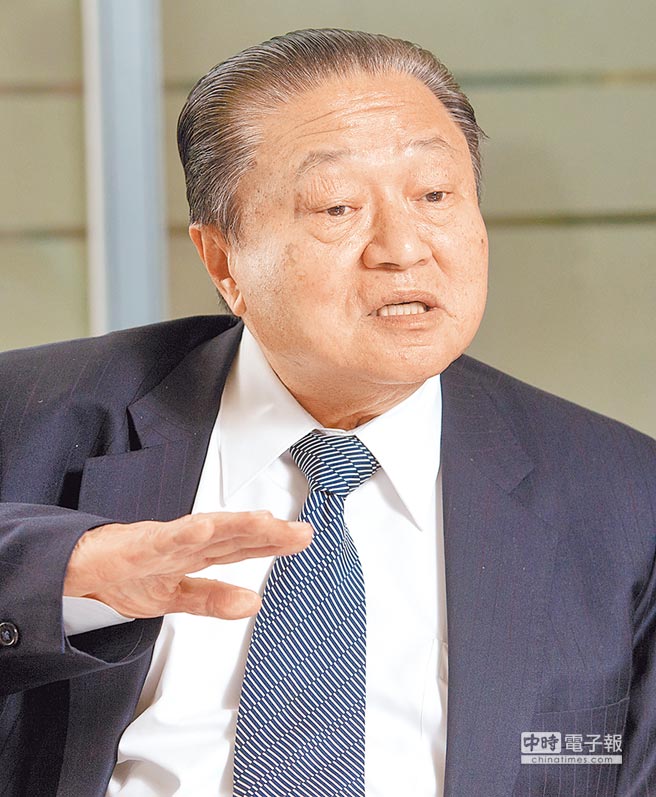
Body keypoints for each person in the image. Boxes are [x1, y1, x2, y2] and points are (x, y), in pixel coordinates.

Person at [0, 28, 654, 797]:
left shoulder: (624, 496)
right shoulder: (30, 415)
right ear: (223, 262)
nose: (403, 248)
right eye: (338, 206)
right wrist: (62, 579)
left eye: (435, 195)